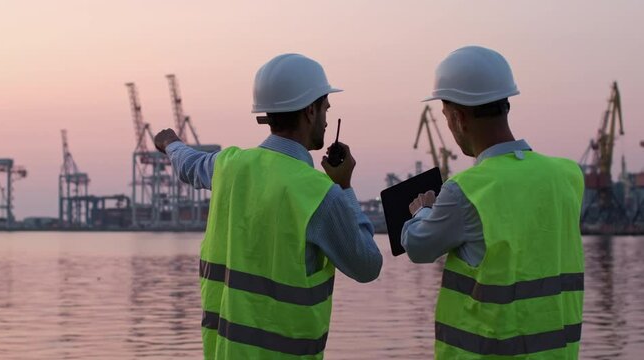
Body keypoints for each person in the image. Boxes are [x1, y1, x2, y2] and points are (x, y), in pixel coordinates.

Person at [154, 53, 382, 359]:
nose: (327, 119)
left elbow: (189, 165)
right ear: (311, 110)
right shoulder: (321, 195)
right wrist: (344, 186)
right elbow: (367, 265)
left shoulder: (228, 166)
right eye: (326, 108)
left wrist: (171, 144)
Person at [401, 46, 584, 359]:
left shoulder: (468, 190)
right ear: (506, 104)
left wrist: (422, 212)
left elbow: (418, 246)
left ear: (458, 117)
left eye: (446, 117)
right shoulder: (567, 175)